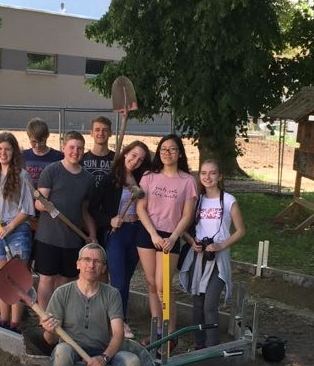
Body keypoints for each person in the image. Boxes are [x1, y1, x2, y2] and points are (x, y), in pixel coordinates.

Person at [136, 134, 197, 346]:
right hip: (148, 234)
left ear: (180, 153)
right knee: (151, 284)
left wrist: (172, 237)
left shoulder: (188, 181)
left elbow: (188, 215)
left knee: (163, 286)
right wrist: (152, 234)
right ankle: (158, 330)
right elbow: (140, 208)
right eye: (163, 149)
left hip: (170, 236)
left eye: (172, 149)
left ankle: (171, 333)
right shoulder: (148, 177)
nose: (167, 153)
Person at [178, 160, 246, 349]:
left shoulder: (229, 200)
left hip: (218, 259)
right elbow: (182, 226)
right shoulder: (196, 200)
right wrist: (193, 243)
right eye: (203, 173)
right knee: (197, 305)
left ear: (220, 176)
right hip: (198, 258)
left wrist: (220, 245)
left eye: (212, 173)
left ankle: (212, 346)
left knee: (210, 305)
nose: (207, 177)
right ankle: (199, 345)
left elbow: (240, 231)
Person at [89, 140, 151, 339]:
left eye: (140, 159)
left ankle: (113, 316)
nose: (135, 161)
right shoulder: (111, 179)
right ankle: (120, 322)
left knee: (127, 279)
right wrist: (109, 220)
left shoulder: (143, 180)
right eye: (133, 156)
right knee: (119, 282)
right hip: (117, 234)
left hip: (137, 232)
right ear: (125, 154)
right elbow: (92, 208)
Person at [0, 132, 35, 331]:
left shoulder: (21, 175)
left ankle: (15, 324)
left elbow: (27, 209)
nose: (3, 153)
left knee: (17, 280)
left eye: (7, 149)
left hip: (16, 231)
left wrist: (9, 227)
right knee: (2, 280)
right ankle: (3, 321)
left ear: (14, 152)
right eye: (0, 149)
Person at [34, 131, 97, 310]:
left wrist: (91, 235)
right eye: (71, 147)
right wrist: (47, 205)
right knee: (46, 279)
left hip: (72, 240)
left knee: (65, 281)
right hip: (48, 237)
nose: (75, 151)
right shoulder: (52, 171)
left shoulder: (87, 178)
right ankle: (44, 317)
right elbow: (39, 203)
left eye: (79, 148)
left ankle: (57, 315)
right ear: (64, 148)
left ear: (83, 151)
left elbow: (84, 211)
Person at [22, 117, 63, 267]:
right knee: (26, 255)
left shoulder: (58, 157)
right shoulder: (23, 156)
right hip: (27, 212)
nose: (38, 145)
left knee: (44, 256)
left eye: (41, 141)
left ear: (47, 136)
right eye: (33, 141)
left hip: (49, 212)